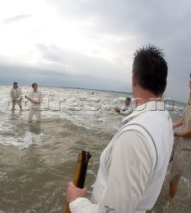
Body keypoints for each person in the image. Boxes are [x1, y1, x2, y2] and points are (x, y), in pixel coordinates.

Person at [66, 45, 173, 213]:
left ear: (133, 79)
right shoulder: (164, 119)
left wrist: (76, 201)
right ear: (164, 85)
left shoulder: (135, 136)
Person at [169, 72, 191, 198]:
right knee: (165, 160)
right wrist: (172, 126)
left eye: (190, 83)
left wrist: (177, 133)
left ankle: (169, 205)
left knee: (174, 179)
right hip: (180, 141)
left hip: (186, 147)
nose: (188, 85)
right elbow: (185, 118)